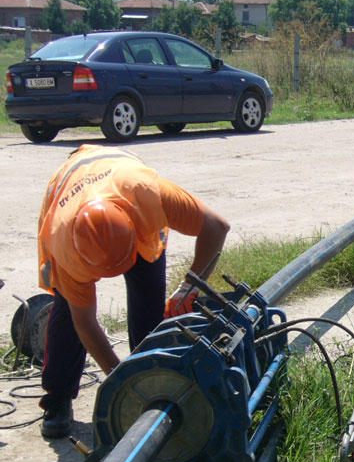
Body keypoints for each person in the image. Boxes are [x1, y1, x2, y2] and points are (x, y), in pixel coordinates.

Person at [37, 144, 230, 438]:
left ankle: (155, 376)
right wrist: (121, 383)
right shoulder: (64, 246)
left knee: (149, 306)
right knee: (67, 312)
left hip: (124, 184)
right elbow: (85, 323)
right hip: (70, 193)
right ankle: (57, 397)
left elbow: (217, 226)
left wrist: (191, 284)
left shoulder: (149, 195)